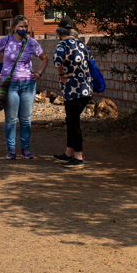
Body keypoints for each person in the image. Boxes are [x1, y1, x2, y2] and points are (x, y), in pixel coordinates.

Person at [0, 15, 47, 159]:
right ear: (13, 28)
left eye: (25, 26)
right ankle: (11, 150)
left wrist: (39, 73)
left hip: (28, 84)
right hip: (10, 84)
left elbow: (44, 58)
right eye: (20, 26)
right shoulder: (5, 41)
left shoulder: (31, 43)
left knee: (25, 119)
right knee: (11, 119)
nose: (23, 29)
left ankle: (25, 149)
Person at [52, 17, 93, 169]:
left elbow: (56, 61)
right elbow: (90, 61)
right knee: (71, 120)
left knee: (73, 122)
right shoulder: (82, 44)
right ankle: (69, 153)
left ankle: (78, 157)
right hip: (87, 88)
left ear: (59, 32)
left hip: (72, 90)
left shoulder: (62, 45)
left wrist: (62, 75)